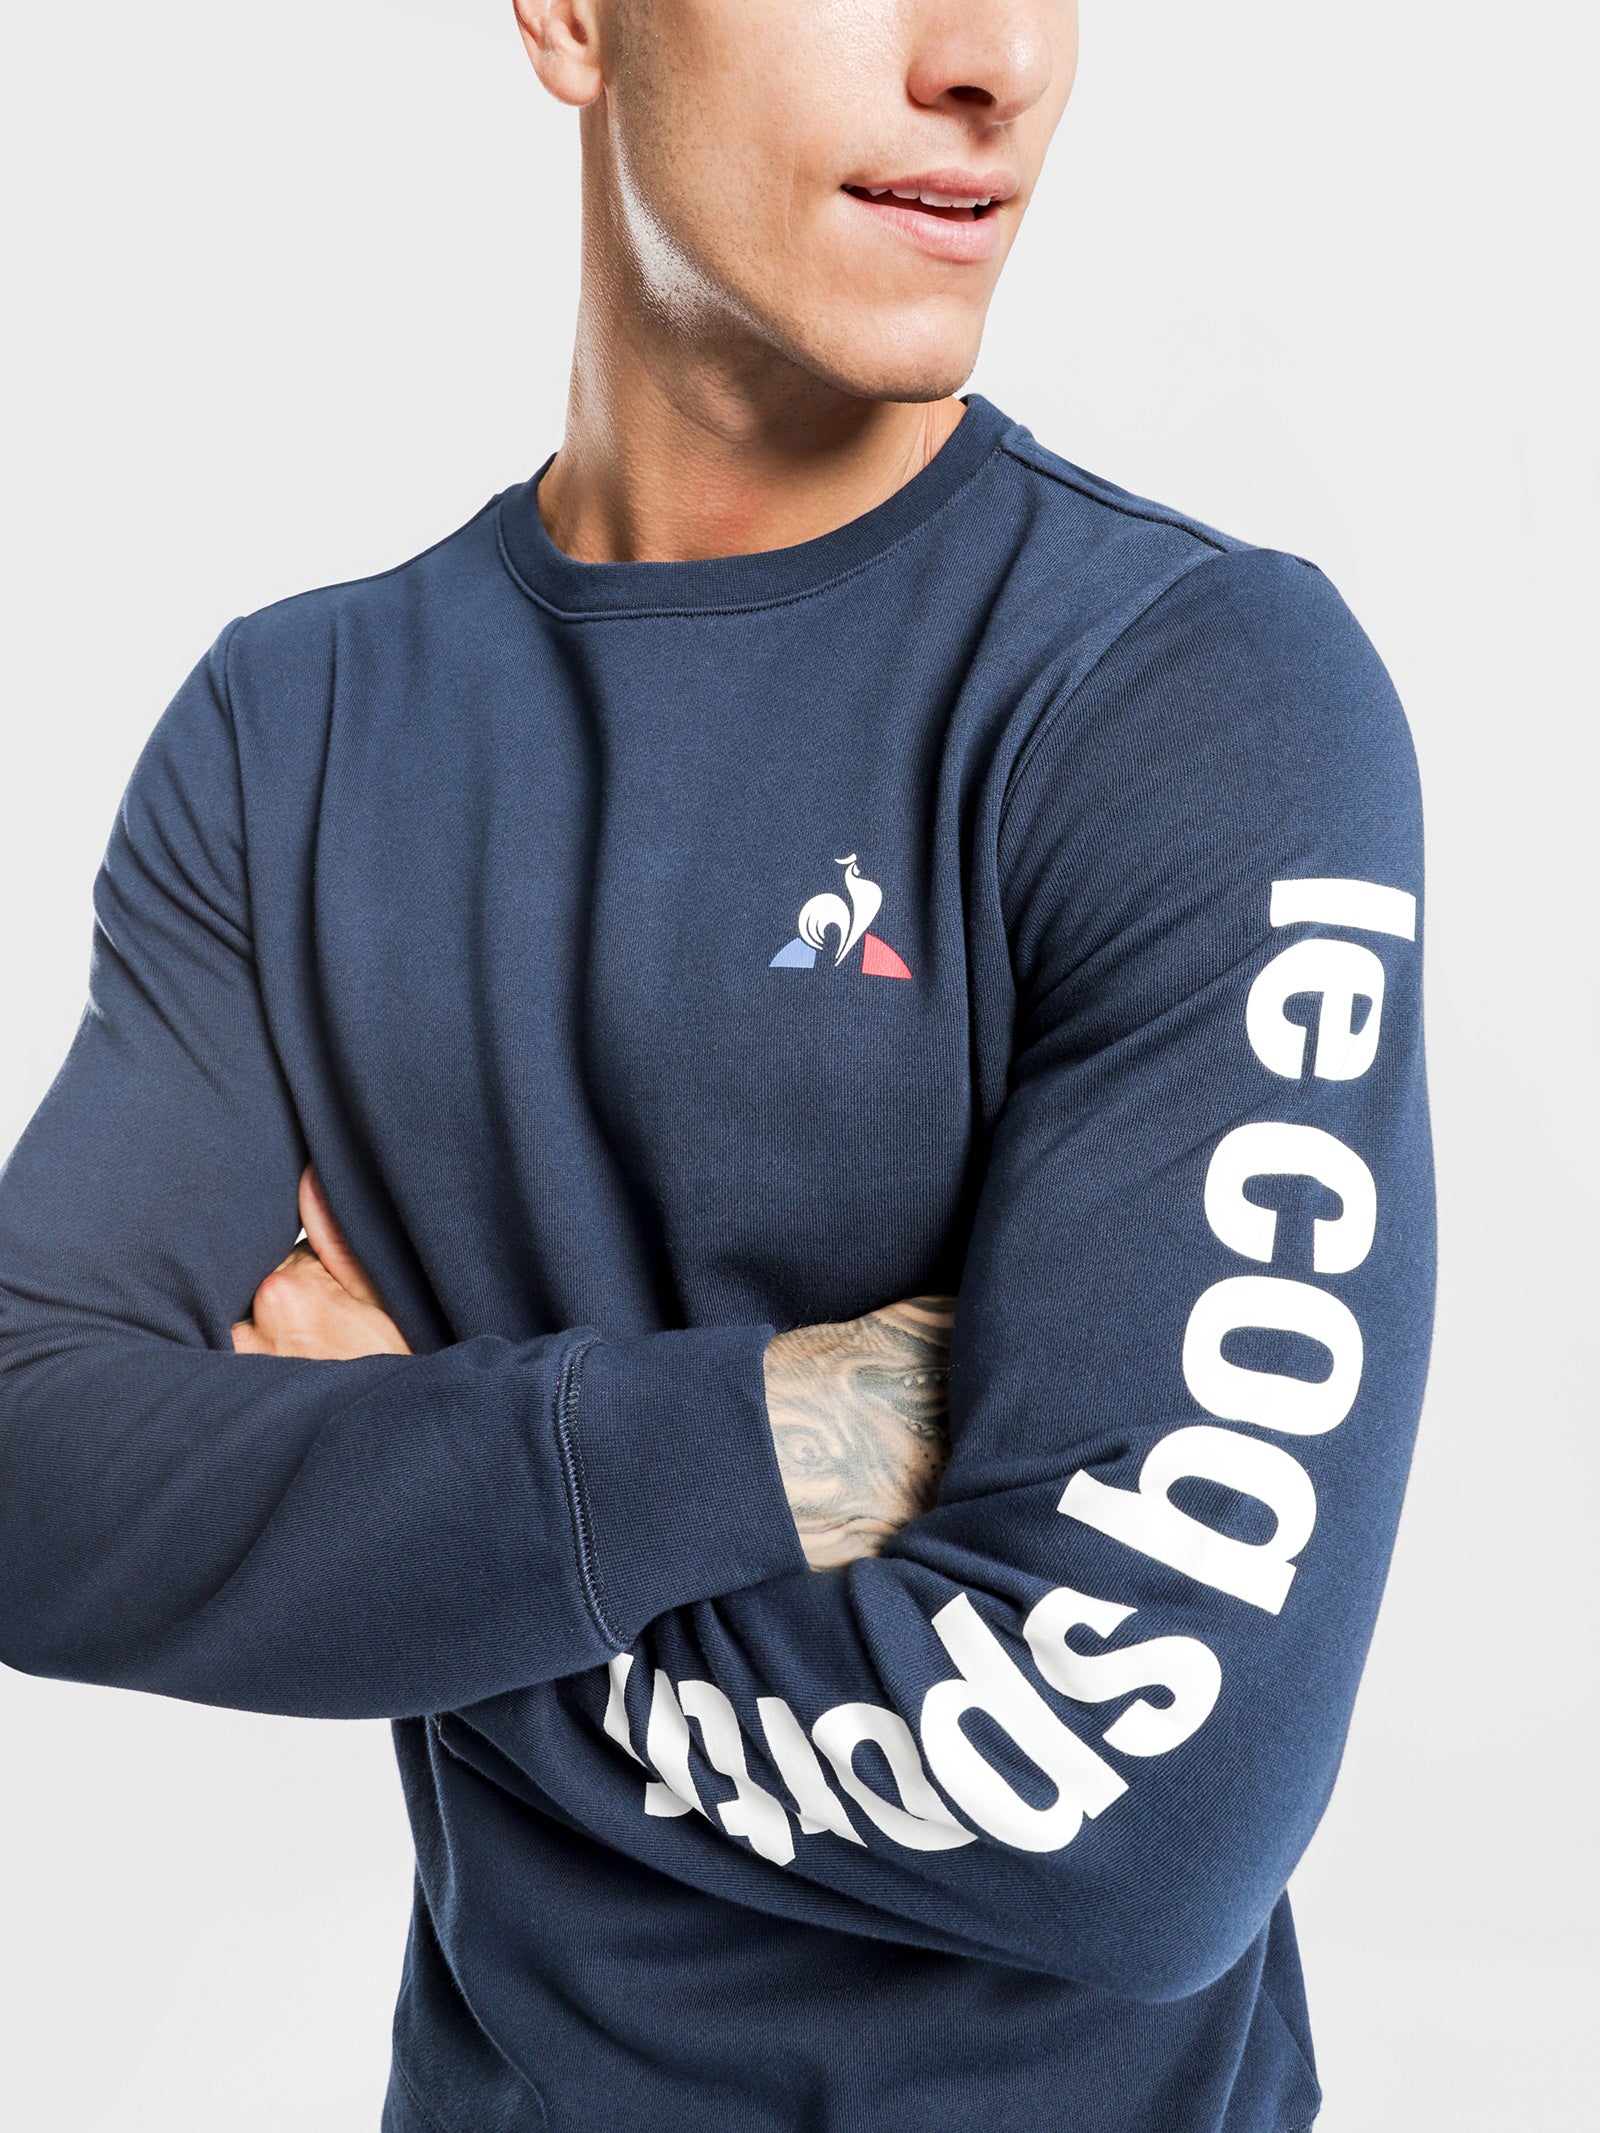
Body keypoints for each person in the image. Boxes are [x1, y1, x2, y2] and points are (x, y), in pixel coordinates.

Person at [0, 2, 1434, 2128]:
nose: (995, 58)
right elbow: (33, 1478)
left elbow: (1142, 1816)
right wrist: (790, 1424)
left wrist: (436, 1532)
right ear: (574, 17)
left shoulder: (1191, 690)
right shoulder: (291, 727)